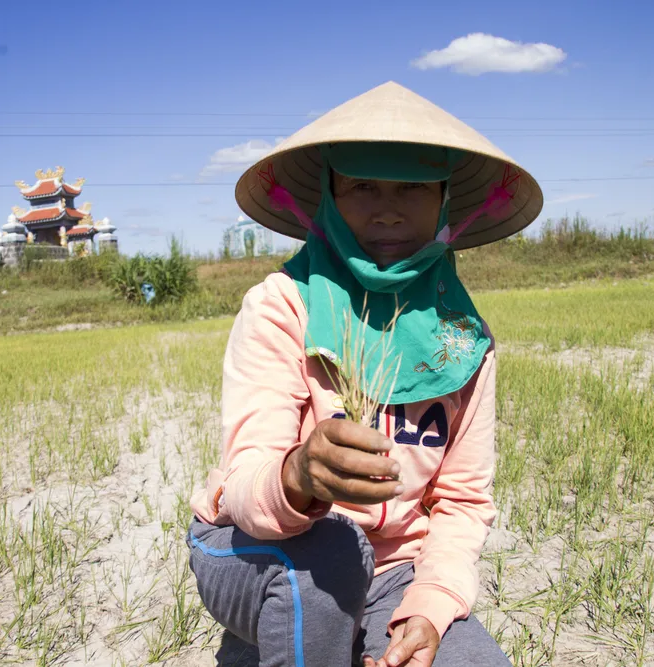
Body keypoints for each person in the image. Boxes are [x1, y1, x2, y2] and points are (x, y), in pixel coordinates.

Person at [186, 81, 543, 667]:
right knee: (325, 557)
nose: (387, 209)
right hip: (260, 547)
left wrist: (428, 607)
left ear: (445, 200)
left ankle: (342, 630)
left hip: (393, 570)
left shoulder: (464, 341)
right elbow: (250, 484)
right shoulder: (282, 306)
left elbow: (462, 500)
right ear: (328, 194)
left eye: (413, 187)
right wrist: (301, 472)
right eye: (362, 186)